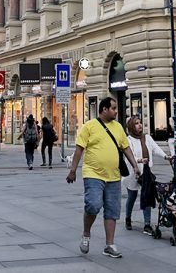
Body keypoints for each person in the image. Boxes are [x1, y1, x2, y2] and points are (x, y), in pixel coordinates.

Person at [66, 97, 141, 259]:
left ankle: (109, 245)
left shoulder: (118, 127)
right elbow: (79, 149)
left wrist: (135, 165)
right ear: (104, 109)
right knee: (93, 205)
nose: (116, 111)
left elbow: (125, 148)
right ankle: (86, 233)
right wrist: (73, 170)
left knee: (112, 211)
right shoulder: (90, 126)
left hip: (113, 176)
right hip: (93, 174)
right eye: (113, 108)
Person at [124, 116, 169, 234]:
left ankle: (147, 224)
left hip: (146, 172)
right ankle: (128, 218)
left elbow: (155, 149)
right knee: (132, 197)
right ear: (131, 127)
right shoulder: (128, 140)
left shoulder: (147, 138)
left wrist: (165, 156)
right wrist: (139, 160)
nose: (139, 125)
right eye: (136, 124)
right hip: (133, 172)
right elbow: (130, 156)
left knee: (147, 195)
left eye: (140, 123)